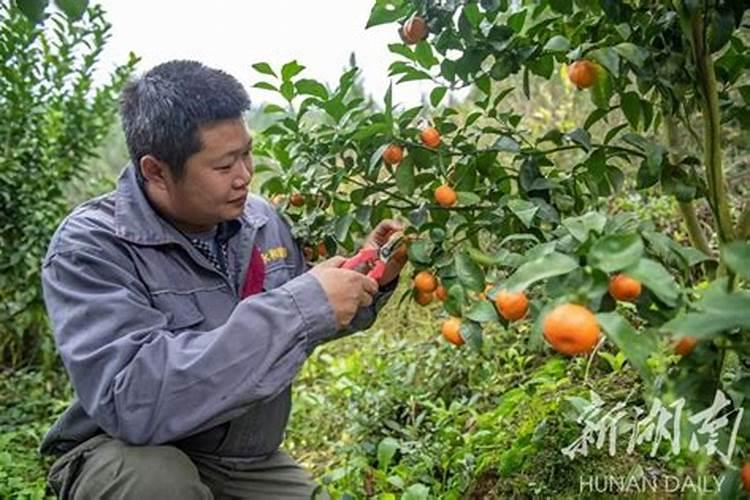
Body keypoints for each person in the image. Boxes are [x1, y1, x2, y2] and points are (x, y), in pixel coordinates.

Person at [40, 60, 406, 499]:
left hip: (239, 461)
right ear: (155, 170)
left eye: (247, 153)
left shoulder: (259, 220)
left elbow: (297, 318)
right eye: (223, 166)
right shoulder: (92, 246)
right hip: (130, 451)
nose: (245, 176)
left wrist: (368, 277)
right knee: (155, 483)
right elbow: (133, 398)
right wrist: (302, 304)